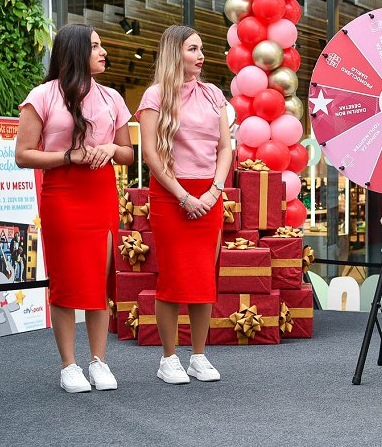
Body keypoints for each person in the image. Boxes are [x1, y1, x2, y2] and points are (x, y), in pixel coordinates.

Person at [15, 24, 133, 393]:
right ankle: (69, 365)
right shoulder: (43, 95)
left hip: (101, 194)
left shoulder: (112, 97)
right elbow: (22, 155)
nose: (103, 52)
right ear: (75, 51)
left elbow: (129, 153)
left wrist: (111, 150)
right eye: (95, 46)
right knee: (67, 280)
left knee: (100, 279)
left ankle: (99, 360)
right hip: (62, 195)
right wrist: (68, 156)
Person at [137, 25, 232, 385]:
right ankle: (168, 357)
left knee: (203, 277)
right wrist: (183, 195)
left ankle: (199, 355)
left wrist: (214, 190)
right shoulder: (155, 96)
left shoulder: (213, 95)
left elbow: (226, 147)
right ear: (175, 52)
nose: (200, 55)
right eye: (193, 49)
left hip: (209, 194)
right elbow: (150, 154)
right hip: (169, 194)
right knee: (174, 277)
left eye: (202, 49)